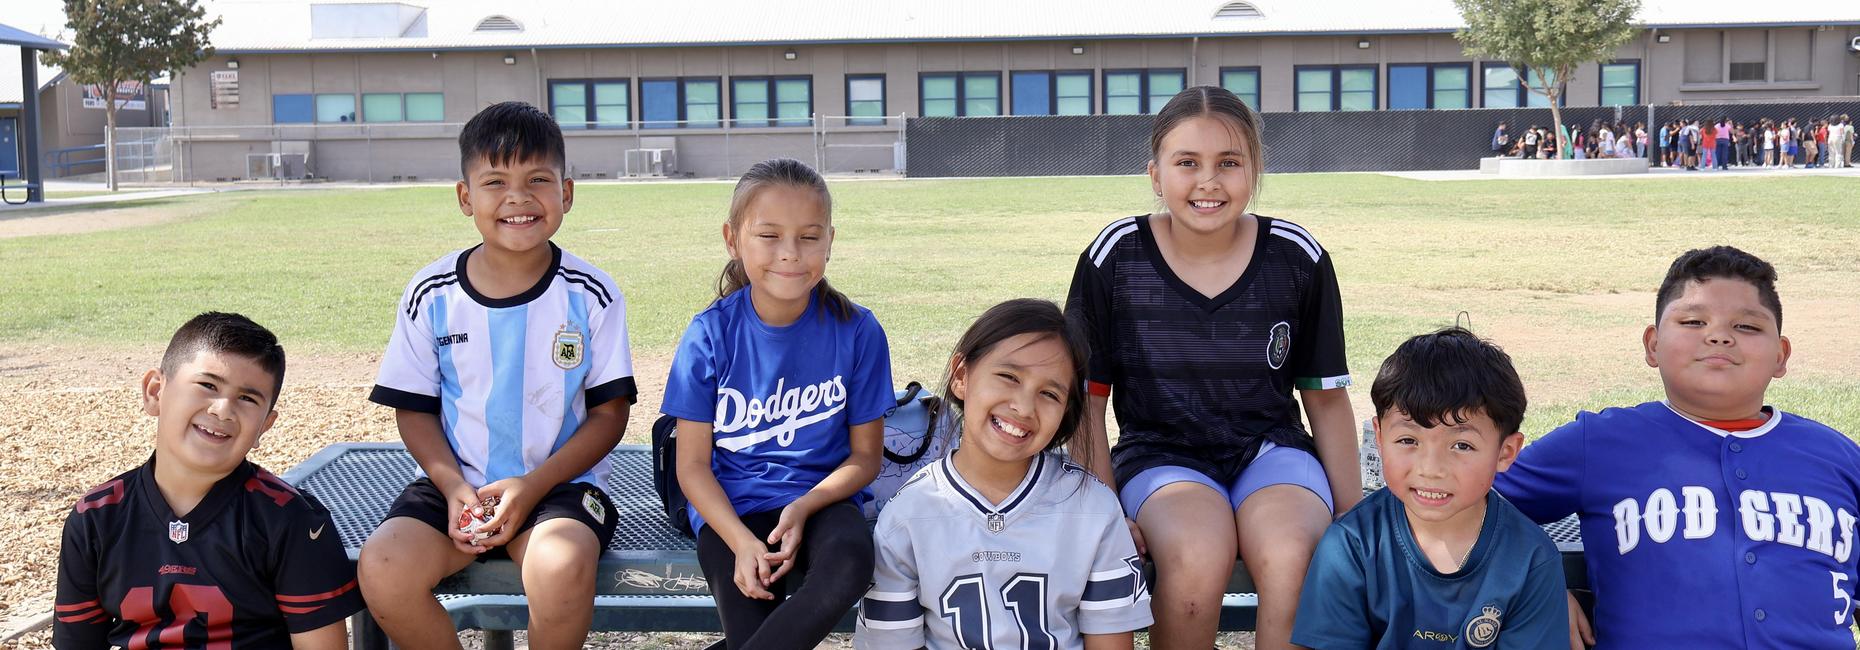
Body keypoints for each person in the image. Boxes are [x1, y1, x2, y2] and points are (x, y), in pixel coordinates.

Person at [1067, 85, 1358, 649]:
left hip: (1271, 451)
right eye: (1187, 163)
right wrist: (1106, 513)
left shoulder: (1297, 255)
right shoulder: (1116, 255)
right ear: (1155, 174)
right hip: (1160, 456)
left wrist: (1354, 517)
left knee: (1294, 554)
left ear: (1255, 170)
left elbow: (1324, 397)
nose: (1208, 181)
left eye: (1229, 162)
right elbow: (1087, 403)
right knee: (1196, 558)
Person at [358, 101, 635, 650]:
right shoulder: (430, 293)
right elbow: (412, 408)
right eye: (495, 181)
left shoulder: (591, 294)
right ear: (466, 197)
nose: (518, 197)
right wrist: (454, 486)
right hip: (457, 488)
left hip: (558, 487)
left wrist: (532, 486)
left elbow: (610, 415)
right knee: (384, 566)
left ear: (567, 193)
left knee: (561, 567)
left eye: (538, 179)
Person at [1496, 246, 1860, 648]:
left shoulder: (1838, 457)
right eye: (1692, 321)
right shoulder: (1599, 443)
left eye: (1748, 327)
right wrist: (1536, 587)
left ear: (1781, 355)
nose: (1719, 335)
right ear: (1653, 345)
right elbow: (1461, 500)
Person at [665, 157, 894, 649]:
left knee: (852, 561)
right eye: (769, 236)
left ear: (830, 240)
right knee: (752, 621)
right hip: (731, 510)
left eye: (809, 236)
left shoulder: (858, 331)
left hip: (822, 501)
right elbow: (693, 466)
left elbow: (865, 457)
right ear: (733, 240)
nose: (790, 253)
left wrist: (806, 505)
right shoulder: (710, 334)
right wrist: (740, 541)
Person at [855, 299, 1152, 649]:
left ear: (1066, 412)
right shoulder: (907, 516)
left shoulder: (1093, 508)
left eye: (1049, 393)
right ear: (962, 376)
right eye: (1009, 377)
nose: (1023, 407)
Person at [54, 312, 363, 648]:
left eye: (247, 398)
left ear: (264, 425)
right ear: (155, 391)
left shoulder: (290, 519)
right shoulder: (96, 517)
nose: (223, 409)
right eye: (208, 385)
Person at [1293, 327, 1568, 649]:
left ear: (1505, 453)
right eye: (1408, 440)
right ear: (1380, 438)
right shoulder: (1352, 546)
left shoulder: (1530, 559)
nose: (1431, 469)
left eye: (1462, 445)